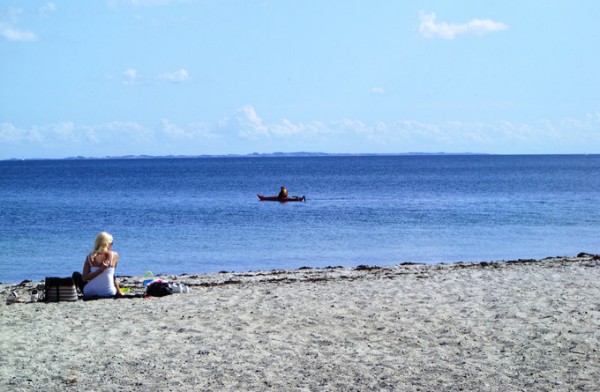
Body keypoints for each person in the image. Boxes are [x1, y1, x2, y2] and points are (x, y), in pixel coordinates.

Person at [72, 232, 122, 298]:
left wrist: (98, 270)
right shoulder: (115, 255)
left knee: (76, 275)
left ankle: (74, 295)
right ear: (108, 244)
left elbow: (84, 278)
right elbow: (112, 276)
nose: (112, 245)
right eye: (111, 243)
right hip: (109, 292)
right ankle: (118, 292)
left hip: (89, 292)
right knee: (110, 273)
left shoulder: (90, 257)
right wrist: (101, 269)